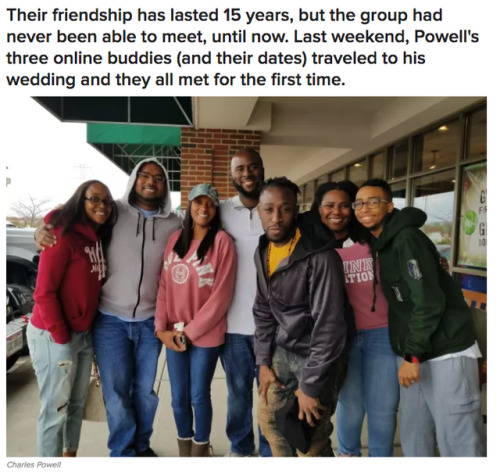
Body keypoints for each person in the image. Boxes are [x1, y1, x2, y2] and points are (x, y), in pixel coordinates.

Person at [36, 158, 181, 457]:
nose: (150, 181)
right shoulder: (113, 212)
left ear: (165, 185)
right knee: (115, 393)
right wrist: (43, 226)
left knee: (144, 391)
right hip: (110, 321)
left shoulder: (174, 223)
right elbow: (70, 217)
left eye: (158, 177)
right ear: (134, 179)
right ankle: (122, 452)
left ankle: (141, 446)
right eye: (144, 175)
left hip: (149, 321)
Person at [354, 178, 486, 457]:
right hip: (417, 354)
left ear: (390, 206)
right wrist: (411, 355)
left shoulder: (406, 239)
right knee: (415, 438)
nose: (364, 207)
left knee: (458, 441)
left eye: (373, 201)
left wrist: (411, 355)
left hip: (446, 351)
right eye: (359, 203)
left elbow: (428, 301)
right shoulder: (384, 242)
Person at [300, 181, 399, 457]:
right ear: (318, 210)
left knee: (382, 408)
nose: (338, 211)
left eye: (345, 205)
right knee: (350, 405)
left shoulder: (373, 237)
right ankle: (348, 456)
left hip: (383, 334)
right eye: (330, 206)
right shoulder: (313, 247)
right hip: (342, 339)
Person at [254, 177, 349, 457]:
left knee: (310, 441)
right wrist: (262, 360)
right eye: (268, 210)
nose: (276, 218)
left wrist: (311, 386)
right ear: (258, 211)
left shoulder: (321, 258)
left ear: (296, 211)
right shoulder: (264, 249)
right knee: (270, 422)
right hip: (283, 350)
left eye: (284, 209)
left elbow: (329, 328)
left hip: (317, 357)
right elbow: (262, 308)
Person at [28, 180, 116, 457]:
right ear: (81, 200)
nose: (101, 205)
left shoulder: (98, 236)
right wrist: (62, 337)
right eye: (94, 199)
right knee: (56, 410)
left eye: (107, 201)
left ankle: (69, 456)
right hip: (54, 335)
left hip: (83, 335)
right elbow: (43, 294)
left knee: (76, 404)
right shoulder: (61, 236)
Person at [155, 184, 237, 457]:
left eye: (210, 204)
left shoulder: (222, 242)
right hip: (174, 334)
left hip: (205, 335)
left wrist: (188, 333)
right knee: (178, 397)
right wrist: (161, 329)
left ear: (216, 209)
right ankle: (184, 453)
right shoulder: (175, 239)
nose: (204, 208)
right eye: (198, 202)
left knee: (198, 395)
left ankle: (201, 452)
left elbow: (221, 297)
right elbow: (164, 287)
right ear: (189, 206)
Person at [219, 148, 272, 457]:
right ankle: (240, 449)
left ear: (262, 169)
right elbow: (183, 230)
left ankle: (268, 451)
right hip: (234, 325)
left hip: (273, 326)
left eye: (253, 167)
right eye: (240, 169)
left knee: (270, 395)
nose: (247, 173)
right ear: (232, 174)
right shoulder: (221, 211)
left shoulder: (275, 206)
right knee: (238, 395)